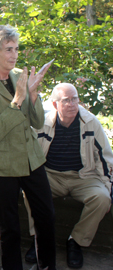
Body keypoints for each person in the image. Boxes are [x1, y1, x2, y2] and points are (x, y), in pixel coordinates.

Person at [0, 25, 56, 270]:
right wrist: (17, 100)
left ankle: (47, 266)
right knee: (9, 227)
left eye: (16, 48)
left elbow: (37, 122)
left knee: (46, 217)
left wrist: (34, 95)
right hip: (0, 164)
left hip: (30, 158)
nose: (15, 54)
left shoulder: (20, 75)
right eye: (8, 49)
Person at [24, 83, 113, 269]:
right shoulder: (44, 122)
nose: (72, 104)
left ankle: (76, 242)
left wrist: (107, 185)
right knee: (30, 191)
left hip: (84, 176)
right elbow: (29, 152)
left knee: (103, 198)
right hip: (51, 175)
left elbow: (105, 157)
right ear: (55, 104)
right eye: (66, 100)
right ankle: (38, 239)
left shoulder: (90, 122)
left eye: (75, 99)